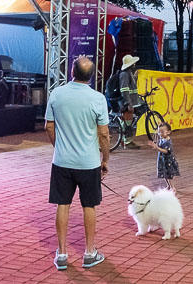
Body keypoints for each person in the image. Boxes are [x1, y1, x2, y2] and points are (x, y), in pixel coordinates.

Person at [44, 56, 110, 271]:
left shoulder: (57, 94)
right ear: (92, 75)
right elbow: (104, 134)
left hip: (62, 161)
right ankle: (90, 252)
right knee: (88, 205)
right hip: (88, 162)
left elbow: (49, 127)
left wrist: (59, 147)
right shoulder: (98, 98)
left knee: (62, 204)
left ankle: (62, 253)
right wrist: (106, 159)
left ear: (71, 71)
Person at [117, 54, 143, 148]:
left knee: (128, 121)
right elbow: (124, 89)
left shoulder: (128, 73)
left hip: (131, 101)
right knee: (127, 121)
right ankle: (127, 142)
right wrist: (128, 103)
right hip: (127, 102)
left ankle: (125, 140)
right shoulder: (124, 74)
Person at [148, 122, 180, 193]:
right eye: (159, 132)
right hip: (163, 160)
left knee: (169, 174)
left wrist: (157, 147)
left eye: (162, 132)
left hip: (168, 160)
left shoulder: (168, 141)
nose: (160, 134)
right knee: (165, 173)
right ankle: (168, 185)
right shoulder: (162, 138)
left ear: (168, 132)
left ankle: (173, 187)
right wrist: (156, 146)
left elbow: (166, 151)